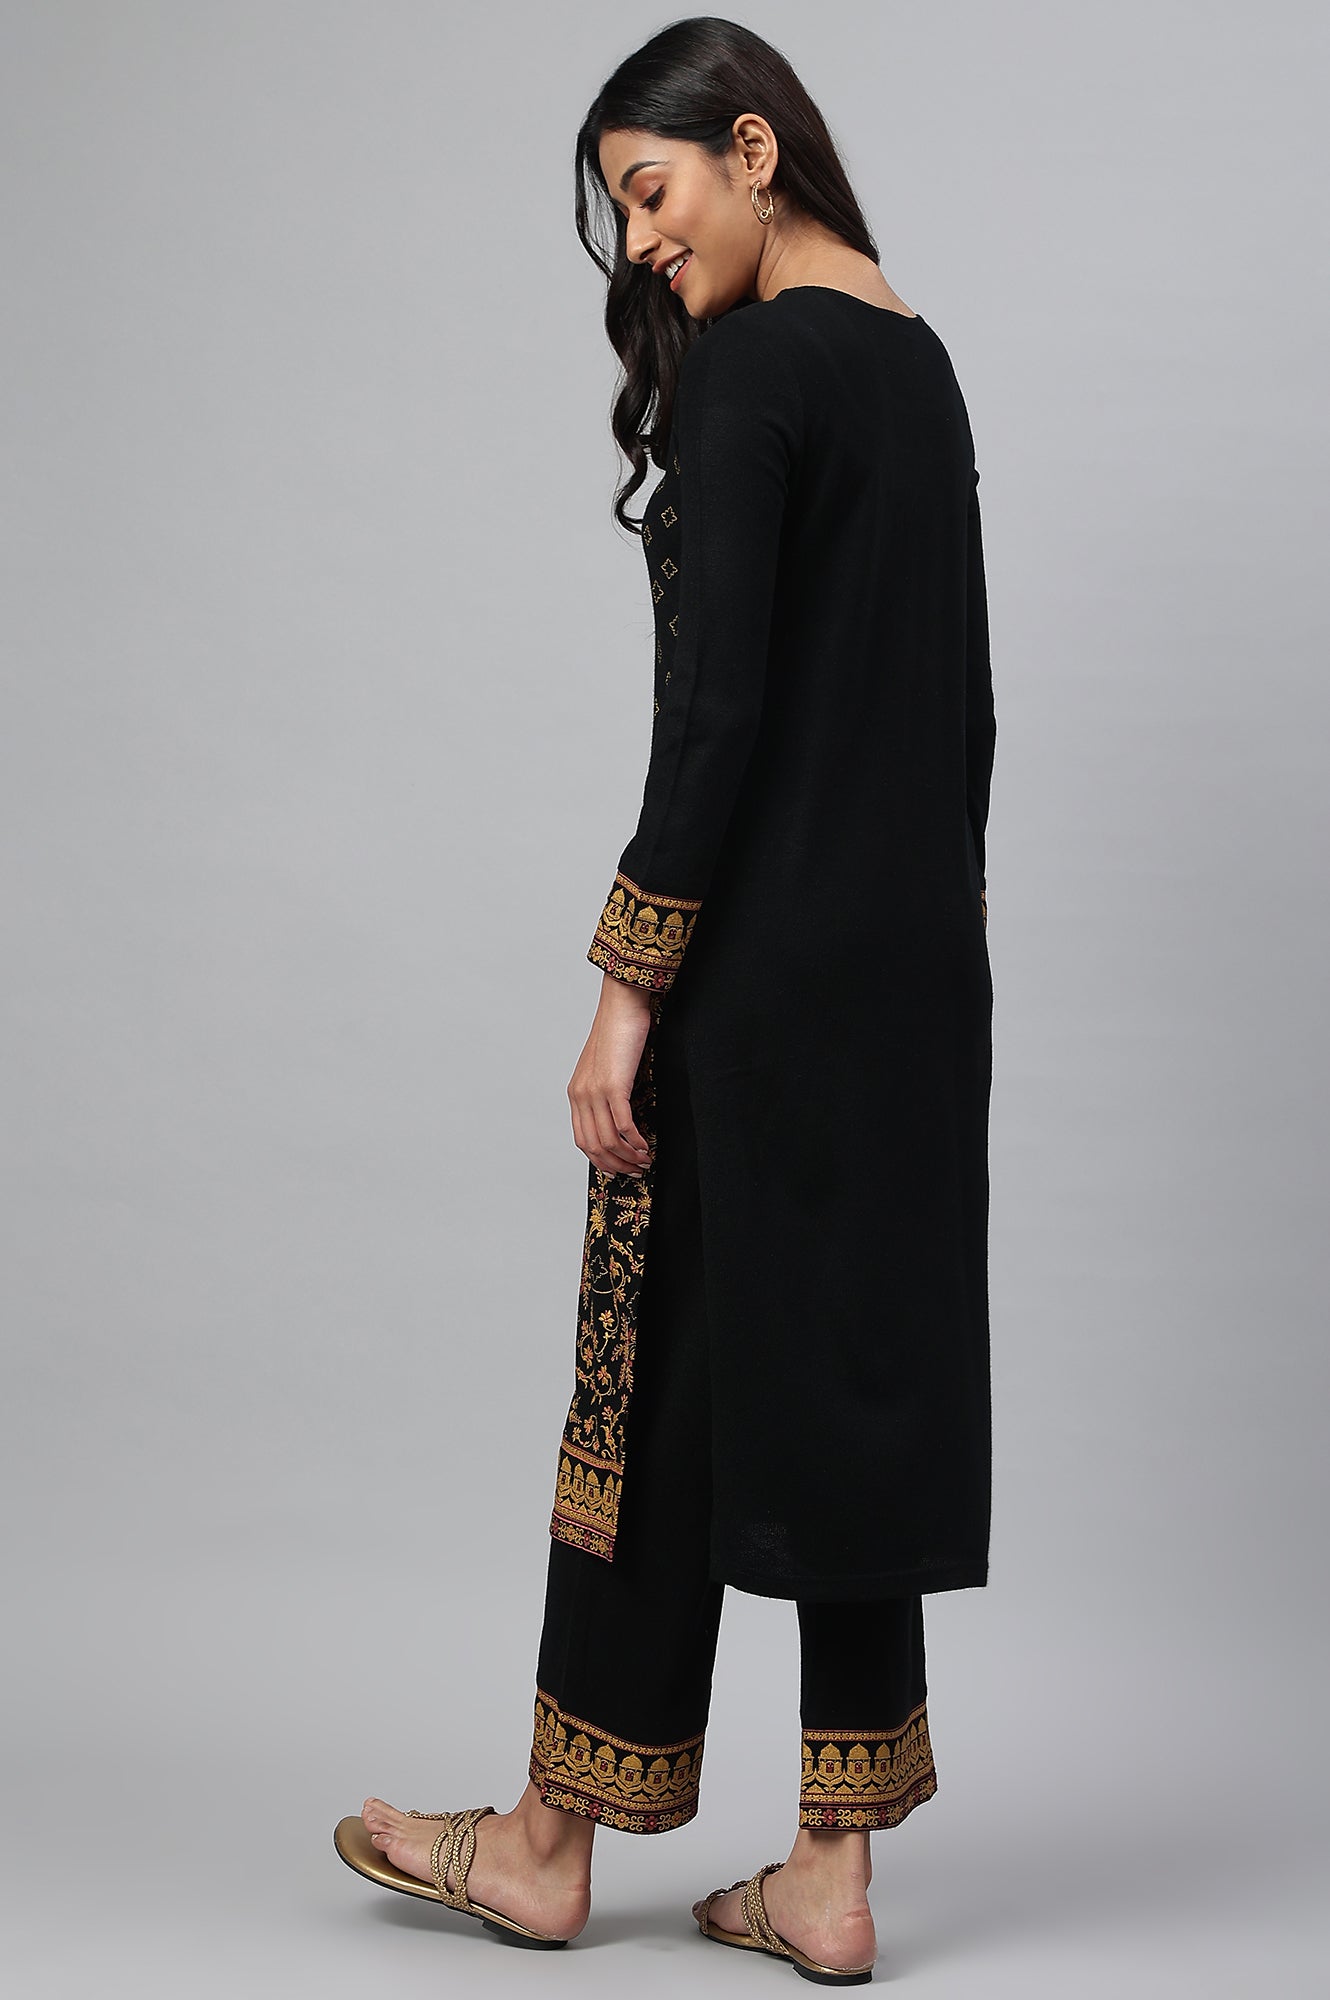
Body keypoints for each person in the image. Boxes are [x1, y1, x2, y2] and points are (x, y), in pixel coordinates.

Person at [334, 17, 996, 1985]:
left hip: (751, 987)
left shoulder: (758, 368)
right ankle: (828, 1879)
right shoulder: (915, 361)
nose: (637, 241)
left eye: (649, 190)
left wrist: (625, 995)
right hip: (910, 987)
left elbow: (713, 722)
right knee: (846, 1391)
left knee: (646, 1389)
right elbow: (960, 717)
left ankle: (547, 1847)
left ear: (750, 149)